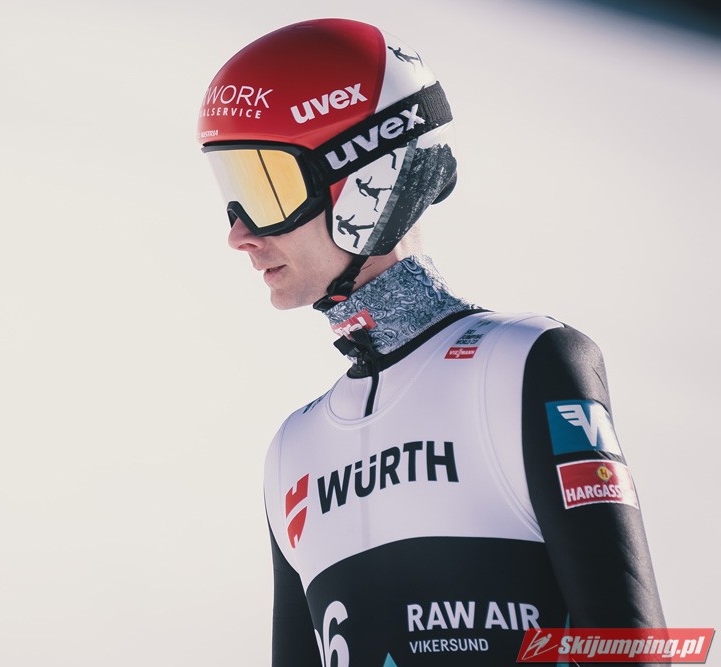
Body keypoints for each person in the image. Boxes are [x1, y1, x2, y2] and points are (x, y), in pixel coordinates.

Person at [196, 18, 665, 667]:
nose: (239, 233)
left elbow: (630, 649)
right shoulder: (291, 452)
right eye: (233, 190)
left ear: (367, 176)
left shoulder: (525, 364)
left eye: (265, 187)